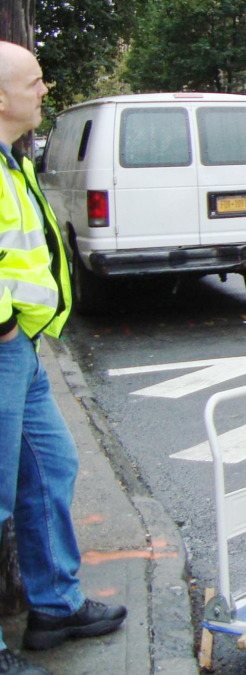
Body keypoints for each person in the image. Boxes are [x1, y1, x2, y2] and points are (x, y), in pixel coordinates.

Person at [0, 42, 126, 675]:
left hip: (21, 349)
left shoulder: (11, 162)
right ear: (0, 96)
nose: (44, 89)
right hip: (2, 346)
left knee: (52, 466)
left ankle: (53, 606)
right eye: (34, 81)